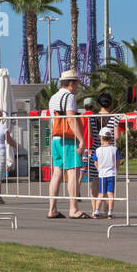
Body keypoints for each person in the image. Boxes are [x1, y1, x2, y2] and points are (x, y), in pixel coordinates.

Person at [46, 69, 87, 219]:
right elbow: (70, 119)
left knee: (57, 173)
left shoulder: (53, 97)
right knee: (73, 172)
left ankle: (52, 208)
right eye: (77, 84)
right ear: (71, 83)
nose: (77, 88)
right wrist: (81, 139)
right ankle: (73, 209)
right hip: (68, 139)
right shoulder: (69, 97)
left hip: (56, 139)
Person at [94, 129, 118, 219]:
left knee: (101, 193)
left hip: (102, 174)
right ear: (111, 138)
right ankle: (110, 212)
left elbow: (95, 162)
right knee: (110, 194)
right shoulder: (114, 149)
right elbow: (118, 161)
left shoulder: (98, 150)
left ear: (101, 138)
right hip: (111, 173)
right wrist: (116, 170)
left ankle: (96, 210)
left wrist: (99, 169)